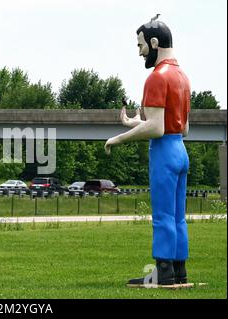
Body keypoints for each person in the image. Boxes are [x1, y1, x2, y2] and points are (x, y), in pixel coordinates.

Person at [104, 17, 191, 286]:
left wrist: (119, 138)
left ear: (154, 43)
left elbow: (155, 129)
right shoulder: (182, 78)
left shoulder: (156, 78)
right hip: (180, 150)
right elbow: (181, 127)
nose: (140, 51)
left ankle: (163, 273)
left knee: (163, 215)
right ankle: (179, 270)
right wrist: (134, 123)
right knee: (178, 216)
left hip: (164, 153)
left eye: (141, 45)